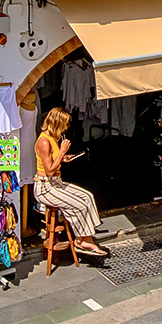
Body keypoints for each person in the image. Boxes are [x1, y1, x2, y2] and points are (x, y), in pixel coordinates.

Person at [34, 107, 108, 257]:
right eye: (65, 124)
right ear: (57, 123)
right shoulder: (44, 141)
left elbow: (53, 161)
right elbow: (48, 170)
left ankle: (86, 237)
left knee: (87, 196)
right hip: (45, 187)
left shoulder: (53, 139)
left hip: (56, 182)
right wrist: (61, 152)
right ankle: (82, 241)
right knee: (78, 205)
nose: (67, 128)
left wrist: (63, 157)